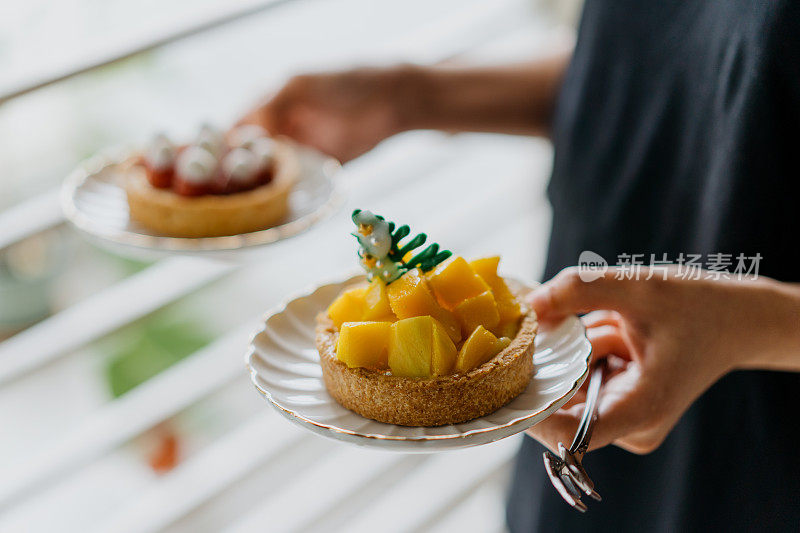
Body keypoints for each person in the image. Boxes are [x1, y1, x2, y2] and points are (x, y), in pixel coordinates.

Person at [240, 1, 800, 530]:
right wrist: (407, 95)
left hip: (751, 462)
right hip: (579, 422)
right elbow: (646, 69)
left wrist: (753, 325)